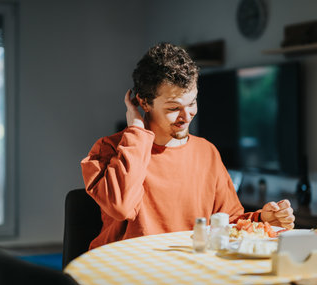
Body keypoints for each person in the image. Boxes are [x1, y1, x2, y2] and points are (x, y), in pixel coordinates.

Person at [81, 42, 295, 250]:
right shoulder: (109, 149)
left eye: (192, 103)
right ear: (144, 103)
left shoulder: (207, 152)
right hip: (128, 272)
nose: (187, 116)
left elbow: (229, 221)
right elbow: (121, 206)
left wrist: (262, 219)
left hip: (187, 270)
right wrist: (136, 131)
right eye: (174, 108)